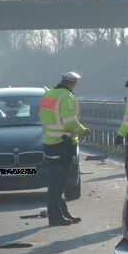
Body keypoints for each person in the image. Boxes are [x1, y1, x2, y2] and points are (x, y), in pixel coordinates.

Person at [39, 72, 91, 226]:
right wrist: (83, 130)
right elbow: (69, 122)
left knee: (57, 181)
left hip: (49, 142)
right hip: (63, 143)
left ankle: (63, 212)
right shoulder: (66, 96)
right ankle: (55, 217)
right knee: (59, 182)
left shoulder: (48, 95)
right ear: (73, 83)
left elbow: (42, 116)